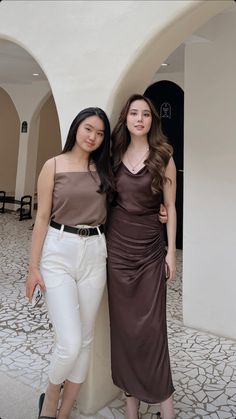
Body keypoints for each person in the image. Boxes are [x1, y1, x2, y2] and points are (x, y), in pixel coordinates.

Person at [26, 107, 115, 419]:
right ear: (77, 128)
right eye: (88, 128)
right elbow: (40, 218)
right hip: (58, 251)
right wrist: (33, 267)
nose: (93, 137)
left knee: (86, 340)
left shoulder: (104, 168)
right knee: (71, 341)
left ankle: (63, 413)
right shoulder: (53, 165)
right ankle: (51, 394)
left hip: (95, 252)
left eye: (100, 133)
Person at [106, 94, 176, 419]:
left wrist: (171, 254)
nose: (139, 119)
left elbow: (171, 207)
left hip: (150, 250)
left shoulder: (164, 156)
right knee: (123, 330)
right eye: (134, 113)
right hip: (117, 250)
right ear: (126, 118)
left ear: (152, 120)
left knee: (152, 329)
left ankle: (166, 406)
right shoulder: (114, 154)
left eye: (145, 114)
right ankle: (131, 407)